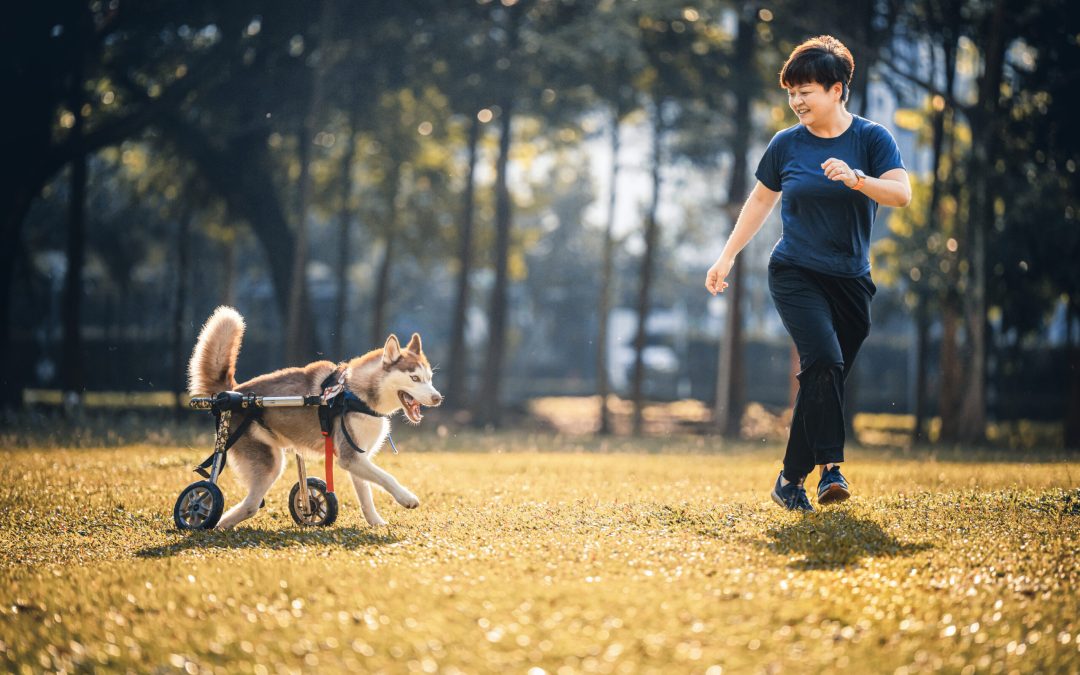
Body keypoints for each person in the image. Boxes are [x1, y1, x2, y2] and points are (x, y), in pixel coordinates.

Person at [705, 35, 911, 512]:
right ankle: (830, 470)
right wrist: (727, 256)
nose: (796, 101)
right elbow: (760, 202)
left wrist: (858, 179)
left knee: (825, 379)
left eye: (806, 91)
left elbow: (901, 195)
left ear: (837, 89)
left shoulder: (871, 138)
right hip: (795, 271)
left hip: (852, 279)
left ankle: (787, 481)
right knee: (823, 360)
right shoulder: (786, 145)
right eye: (791, 92)